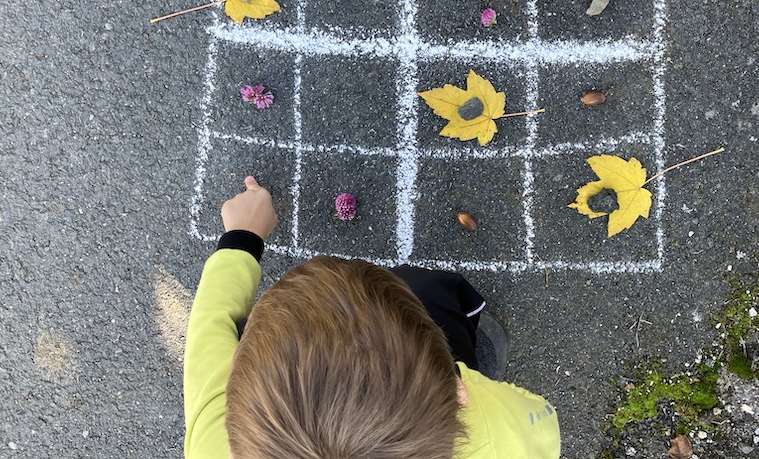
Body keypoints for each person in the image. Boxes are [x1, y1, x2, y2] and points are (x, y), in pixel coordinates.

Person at [184, 176, 561, 459]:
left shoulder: (214, 445)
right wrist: (475, 387)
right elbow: (539, 420)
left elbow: (209, 332)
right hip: (454, 403)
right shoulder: (501, 434)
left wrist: (240, 239)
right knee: (428, 293)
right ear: (458, 393)